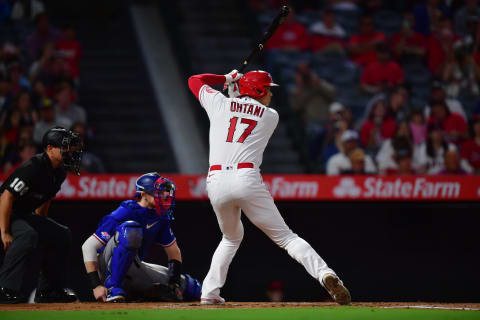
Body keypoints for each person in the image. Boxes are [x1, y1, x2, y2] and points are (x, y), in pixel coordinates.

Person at [188, 70, 351, 305]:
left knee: (230, 237)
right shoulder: (270, 116)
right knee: (286, 238)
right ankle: (325, 274)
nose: (271, 94)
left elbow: (195, 80)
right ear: (258, 91)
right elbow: (245, 108)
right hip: (246, 177)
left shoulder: (220, 104)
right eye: (267, 89)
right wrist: (236, 89)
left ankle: (210, 292)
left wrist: (226, 78)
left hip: (216, 181)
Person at [81, 173, 201, 302]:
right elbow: (88, 247)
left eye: (164, 192)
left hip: (132, 268)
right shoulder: (126, 211)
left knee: (191, 287)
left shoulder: (160, 217)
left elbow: (174, 252)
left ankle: (139, 293)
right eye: (158, 192)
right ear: (143, 194)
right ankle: (112, 288)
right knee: (131, 229)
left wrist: (174, 283)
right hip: (105, 268)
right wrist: (96, 285)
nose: (164, 196)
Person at [0, 127, 82, 303]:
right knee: (27, 234)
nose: (70, 152)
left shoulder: (59, 171)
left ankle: (48, 291)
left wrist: (42, 224)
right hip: (6, 211)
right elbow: (7, 195)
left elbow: (46, 198)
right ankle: (5, 289)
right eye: (65, 147)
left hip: (22, 214)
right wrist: (5, 231)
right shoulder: (33, 166)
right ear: (50, 148)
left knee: (61, 234)